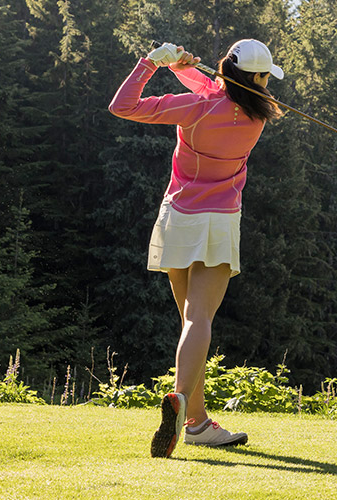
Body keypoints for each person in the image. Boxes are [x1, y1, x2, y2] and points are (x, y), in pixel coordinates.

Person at [109, 39, 285, 458]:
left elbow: (123, 105)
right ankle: (181, 400)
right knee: (198, 321)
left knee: (190, 323)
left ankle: (196, 421)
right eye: (265, 76)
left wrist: (155, 63)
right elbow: (218, 91)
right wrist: (182, 68)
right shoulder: (257, 117)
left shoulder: (196, 107)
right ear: (257, 79)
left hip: (178, 218)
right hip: (220, 221)